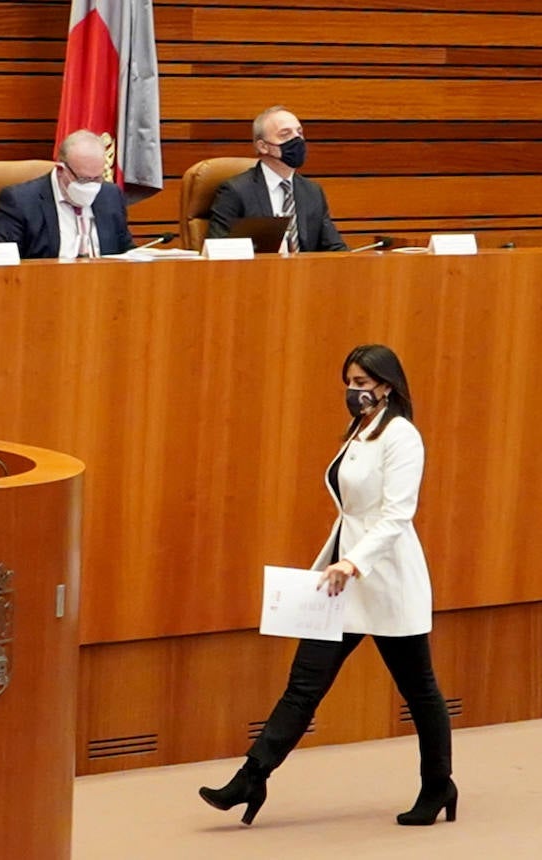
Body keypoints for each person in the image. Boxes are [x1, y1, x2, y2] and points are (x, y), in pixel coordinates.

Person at [199, 344, 455, 827]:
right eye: (350, 383)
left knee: (419, 691)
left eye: (362, 383)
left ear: (387, 386)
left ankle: (438, 786)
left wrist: (353, 563)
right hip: (343, 581)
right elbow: (350, 510)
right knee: (303, 686)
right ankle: (252, 777)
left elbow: (397, 514)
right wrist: (338, 563)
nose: (354, 392)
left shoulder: (402, 437)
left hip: (385, 581)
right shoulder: (360, 433)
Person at [206, 106, 346, 252]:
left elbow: (334, 248)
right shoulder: (236, 191)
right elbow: (218, 251)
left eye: (299, 133)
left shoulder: (312, 191)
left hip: (305, 272)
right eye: (285, 135)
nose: (296, 139)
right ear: (263, 147)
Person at [0, 129, 134, 259]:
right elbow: (1, 263)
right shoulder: (20, 202)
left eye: (97, 178)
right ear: (60, 170)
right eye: (83, 179)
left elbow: (125, 252)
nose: (91, 186)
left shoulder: (111, 195)